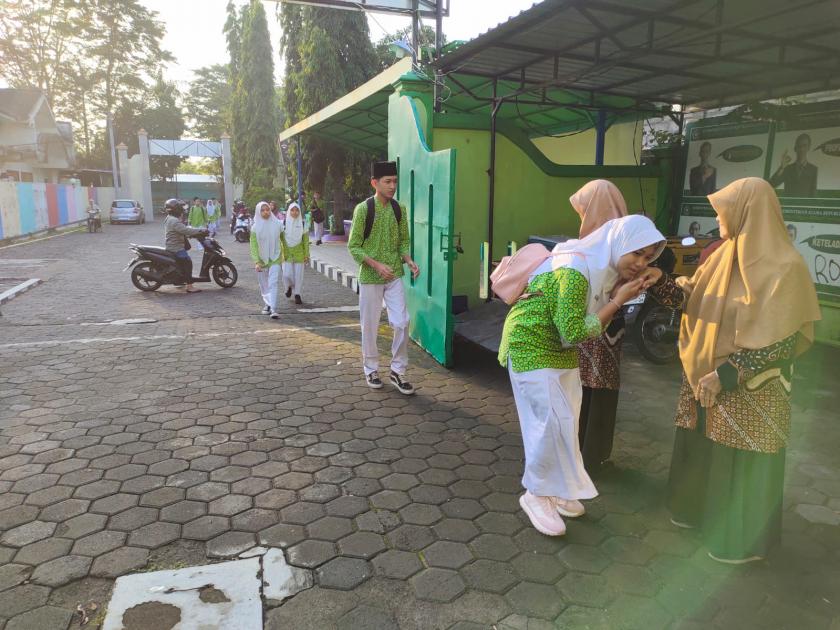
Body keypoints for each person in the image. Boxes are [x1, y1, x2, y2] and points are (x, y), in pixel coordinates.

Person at [648, 177, 821, 564]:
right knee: (702, 449)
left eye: (722, 209)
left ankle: (740, 541)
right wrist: (655, 281)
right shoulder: (721, 256)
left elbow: (784, 339)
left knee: (739, 461)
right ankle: (695, 514)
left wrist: (727, 373)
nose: (717, 217)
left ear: (747, 211)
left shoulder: (786, 268)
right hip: (704, 374)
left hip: (753, 387)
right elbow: (688, 296)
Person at [498, 215, 666, 536]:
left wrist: (645, 276)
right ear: (620, 244)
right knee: (550, 422)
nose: (640, 263)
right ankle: (535, 494)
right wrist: (618, 301)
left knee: (567, 420)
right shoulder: (577, 268)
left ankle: (559, 491)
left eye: (648, 257)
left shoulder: (604, 267)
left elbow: (580, 330)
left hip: (559, 349)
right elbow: (574, 331)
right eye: (637, 254)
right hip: (530, 343)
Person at [569, 180, 629, 473]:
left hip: (596, 323)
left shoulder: (596, 243)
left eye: (583, 209)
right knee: (600, 392)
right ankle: (593, 456)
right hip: (611, 327)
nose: (581, 215)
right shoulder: (625, 239)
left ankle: (583, 456)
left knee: (585, 391)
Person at [348, 161, 420, 394]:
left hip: (395, 276)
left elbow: (403, 241)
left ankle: (397, 371)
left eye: (395, 181)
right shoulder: (363, 209)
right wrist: (376, 265)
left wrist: (408, 260)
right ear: (374, 183)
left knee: (402, 322)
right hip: (370, 277)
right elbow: (354, 246)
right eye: (387, 182)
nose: (392, 186)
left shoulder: (400, 210)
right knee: (369, 326)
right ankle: (371, 368)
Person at [163, 198, 207, 294]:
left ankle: (179, 280)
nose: (182, 210)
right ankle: (190, 286)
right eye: (180, 208)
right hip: (176, 247)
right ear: (176, 209)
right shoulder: (174, 221)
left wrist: (191, 234)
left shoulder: (169, 218)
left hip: (172, 245)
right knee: (187, 262)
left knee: (182, 263)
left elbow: (181, 230)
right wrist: (201, 230)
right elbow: (185, 230)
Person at [251, 201, 283, 318]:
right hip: (261, 260)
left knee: (273, 283)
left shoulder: (278, 224)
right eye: (263, 210)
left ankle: (273, 308)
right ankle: (267, 304)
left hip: (275, 257)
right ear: (258, 212)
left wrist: (286, 255)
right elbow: (253, 246)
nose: (266, 212)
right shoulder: (255, 227)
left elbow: (283, 239)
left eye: (268, 209)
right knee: (264, 285)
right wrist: (256, 261)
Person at [769, 133, 818, 197]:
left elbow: (813, 194)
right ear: (795, 148)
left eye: (804, 146)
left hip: (804, 206)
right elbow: (772, 184)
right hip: (789, 205)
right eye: (799, 146)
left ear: (808, 147)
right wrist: (781, 167)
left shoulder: (813, 169)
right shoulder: (787, 168)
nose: (802, 149)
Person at [281, 202, 310, 305]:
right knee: (286, 274)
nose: (295, 212)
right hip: (287, 252)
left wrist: (307, 255)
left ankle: (297, 294)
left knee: (299, 275)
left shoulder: (303, 223)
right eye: (292, 210)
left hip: (299, 252)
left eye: (297, 210)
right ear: (289, 211)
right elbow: (279, 239)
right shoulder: (283, 223)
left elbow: (306, 240)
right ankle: (288, 286)